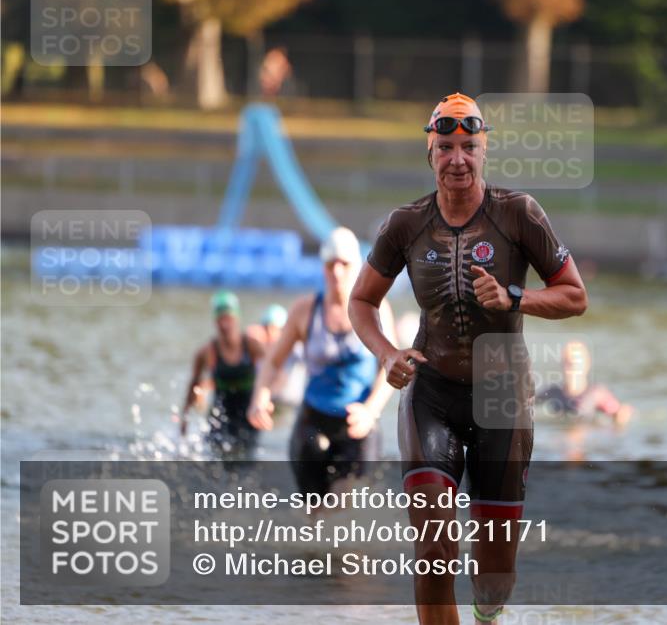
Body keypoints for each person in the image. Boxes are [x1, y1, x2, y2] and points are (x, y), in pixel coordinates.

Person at [348, 93, 587, 625]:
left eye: (469, 147)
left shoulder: (518, 213)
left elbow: (575, 296)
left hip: (503, 399)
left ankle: (487, 613)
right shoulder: (405, 224)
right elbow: (361, 300)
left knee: (494, 575)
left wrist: (514, 297)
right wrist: (386, 353)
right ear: (429, 153)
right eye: (446, 148)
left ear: (484, 151)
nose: (458, 159)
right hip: (431, 393)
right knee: (433, 547)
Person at [247, 227, 396, 499]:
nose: (336, 272)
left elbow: (390, 368)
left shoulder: (376, 309)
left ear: (357, 267)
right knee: (313, 508)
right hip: (312, 421)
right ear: (323, 267)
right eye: (330, 264)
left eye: (344, 264)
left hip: (358, 424)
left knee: (348, 505)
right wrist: (260, 396)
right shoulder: (305, 310)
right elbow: (272, 362)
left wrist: (370, 411)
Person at [180, 290, 266, 460]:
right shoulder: (206, 352)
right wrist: (185, 416)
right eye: (221, 319)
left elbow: (271, 372)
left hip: (248, 416)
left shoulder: (252, 346)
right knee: (216, 461)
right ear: (215, 321)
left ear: (237, 318)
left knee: (246, 461)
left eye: (229, 318)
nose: (225, 324)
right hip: (220, 415)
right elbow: (193, 384)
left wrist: (266, 401)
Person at [537, 340, 633, 427]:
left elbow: (619, 414)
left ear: (587, 364)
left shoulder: (597, 394)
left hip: (589, 431)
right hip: (561, 431)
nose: (572, 368)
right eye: (567, 363)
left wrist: (620, 417)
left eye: (576, 363)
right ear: (562, 365)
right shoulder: (553, 392)